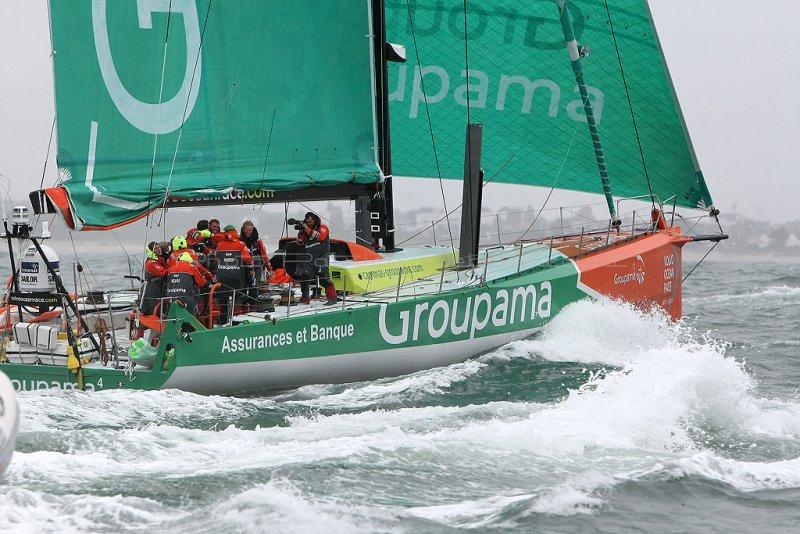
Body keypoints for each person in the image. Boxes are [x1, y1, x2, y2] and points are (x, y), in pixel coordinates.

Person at [296, 211, 337, 305]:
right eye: (307, 222)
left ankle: (332, 298)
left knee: (323, 275)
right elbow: (301, 242)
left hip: (322, 255)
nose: (308, 224)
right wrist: (299, 241)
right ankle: (305, 297)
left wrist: (309, 231)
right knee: (304, 275)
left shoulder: (322, 227)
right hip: (310, 256)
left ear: (314, 220)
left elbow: (321, 237)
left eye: (310, 222)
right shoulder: (303, 230)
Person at [215, 225, 254, 319]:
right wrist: (251, 268)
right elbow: (247, 259)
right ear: (235, 232)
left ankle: (223, 320)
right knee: (237, 301)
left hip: (222, 278)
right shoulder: (241, 244)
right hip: (237, 279)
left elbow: (216, 259)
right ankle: (236, 320)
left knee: (224, 302)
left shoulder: (220, 244)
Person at [164, 252, 208, 316]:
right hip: (187, 299)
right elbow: (201, 283)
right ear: (189, 259)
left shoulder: (170, 269)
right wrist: (204, 279)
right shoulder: (191, 267)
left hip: (171, 298)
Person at [240, 220, 272, 285]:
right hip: (244, 266)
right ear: (243, 230)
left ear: (253, 230)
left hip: (256, 266)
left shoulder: (258, 241)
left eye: (250, 230)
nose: (249, 232)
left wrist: (270, 269)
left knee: (255, 285)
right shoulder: (239, 240)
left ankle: (255, 288)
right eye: (247, 230)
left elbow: (264, 255)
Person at [140, 242, 167, 315]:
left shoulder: (160, 259)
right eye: (156, 248)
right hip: (152, 287)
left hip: (157, 285)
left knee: (158, 306)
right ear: (152, 251)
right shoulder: (151, 263)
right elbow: (163, 273)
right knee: (155, 307)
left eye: (159, 247)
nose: (159, 249)